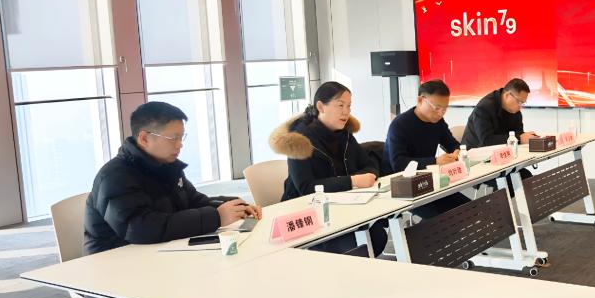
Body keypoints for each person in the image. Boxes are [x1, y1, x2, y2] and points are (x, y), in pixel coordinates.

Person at [84, 101, 260, 257]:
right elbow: (141, 228)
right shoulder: (115, 177)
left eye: (181, 137)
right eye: (173, 138)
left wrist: (235, 207)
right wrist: (216, 217)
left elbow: (193, 201)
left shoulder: (166, 164)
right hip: (114, 266)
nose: (180, 145)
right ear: (144, 138)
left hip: (159, 255)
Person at [270, 81, 386, 255]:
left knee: (376, 235)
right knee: (358, 243)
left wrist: (364, 176)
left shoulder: (344, 134)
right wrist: (352, 181)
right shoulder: (298, 140)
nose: (346, 112)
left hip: (341, 208)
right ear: (320, 107)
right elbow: (306, 188)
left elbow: (368, 163)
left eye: (349, 106)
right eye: (340, 105)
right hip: (308, 215)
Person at [382, 79, 470, 218]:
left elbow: (452, 144)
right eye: (436, 108)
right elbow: (399, 164)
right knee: (444, 219)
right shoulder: (400, 125)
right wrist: (435, 161)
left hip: (429, 181)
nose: (440, 113)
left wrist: (457, 152)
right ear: (420, 100)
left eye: (445, 109)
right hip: (402, 187)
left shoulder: (437, 122)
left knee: (470, 209)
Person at [461, 78, 537, 149]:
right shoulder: (483, 108)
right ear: (507, 95)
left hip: (502, 152)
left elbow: (518, 134)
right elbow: (486, 140)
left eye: (523, 103)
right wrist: (519, 138)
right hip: (474, 153)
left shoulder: (515, 110)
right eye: (519, 102)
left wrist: (527, 138)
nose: (520, 106)